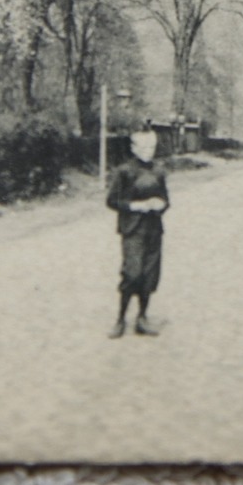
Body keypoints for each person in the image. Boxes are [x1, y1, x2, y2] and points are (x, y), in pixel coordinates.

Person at [106, 130, 169, 339]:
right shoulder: (124, 171)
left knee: (149, 275)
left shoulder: (159, 171)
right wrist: (135, 206)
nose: (148, 151)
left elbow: (165, 199)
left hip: (154, 229)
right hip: (133, 230)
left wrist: (160, 204)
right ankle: (120, 319)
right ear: (133, 148)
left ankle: (142, 318)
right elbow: (112, 201)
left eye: (151, 147)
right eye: (143, 147)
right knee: (132, 273)